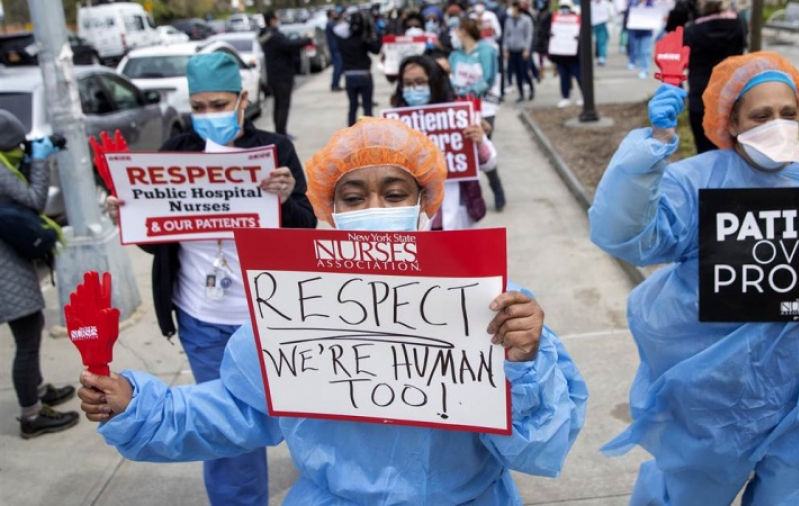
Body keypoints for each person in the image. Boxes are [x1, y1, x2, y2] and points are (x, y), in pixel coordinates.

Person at [78, 117, 589, 504]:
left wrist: (524, 363)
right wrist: (138, 406)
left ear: (424, 202)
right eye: (354, 195)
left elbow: (540, 448)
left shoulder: (492, 301)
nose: (375, 208)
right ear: (331, 209)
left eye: (393, 193)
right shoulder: (295, 305)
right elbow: (239, 411)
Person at [588, 52, 799, 505]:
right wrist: (653, 145)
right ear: (730, 122)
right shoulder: (695, 183)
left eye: (788, 113)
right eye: (762, 115)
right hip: (715, 400)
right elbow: (624, 234)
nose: (778, 123)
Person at [105, 52, 317, 506]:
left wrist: (282, 198)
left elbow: (306, 229)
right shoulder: (174, 154)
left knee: (295, 417)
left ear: (242, 100)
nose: (208, 115)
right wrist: (130, 214)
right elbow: (156, 242)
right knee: (223, 431)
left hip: (268, 319)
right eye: (198, 107)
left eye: (218, 104)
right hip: (202, 320)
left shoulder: (276, 150)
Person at [0, 111, 79, 440]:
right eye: (17, 144)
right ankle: (31, 416)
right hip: (5, 271)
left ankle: (39, 389)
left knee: (32, 331)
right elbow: (34, 200)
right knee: (28, 340)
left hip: (10, 263)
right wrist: (39, 160)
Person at [391, 54, 496, 230]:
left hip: (455, 213)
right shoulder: (394, 123)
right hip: (414, 220)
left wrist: (478, 143)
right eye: (407, 84)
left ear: (434, 82)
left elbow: (490, 163)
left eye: (420, 82)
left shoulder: (459, 116)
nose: (413, 88)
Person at [449, 17, 507, 212]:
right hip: (459, 108)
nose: (454, 34)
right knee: (465, 152)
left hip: (484, 108)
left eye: (457, 29)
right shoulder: (455, 55)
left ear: (464, 31)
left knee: (482, 149)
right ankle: (473, 196)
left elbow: (489, 78)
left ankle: (496, 187)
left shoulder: (487, 51)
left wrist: (467, 92)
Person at [684, 0, 746, 153]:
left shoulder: (691, 31)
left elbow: (686, 60)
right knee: (733, 150)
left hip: (701, 96)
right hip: (731, 95)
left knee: (704, 151)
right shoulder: (739, 25)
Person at [259, 10, 312, 138]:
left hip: (274, 76)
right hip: (282, 76)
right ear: (271, 20)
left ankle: (279, 131)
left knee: (278, 105)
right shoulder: (274, 36)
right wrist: (307, 39)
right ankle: (281, 133)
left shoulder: (265, 35)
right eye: (276, 18)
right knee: (283, 106)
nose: (278, 20)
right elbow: (290, 45)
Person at [336, 8, 382, 126]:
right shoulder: (363, 39)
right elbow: (376, 49)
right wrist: (375, 33)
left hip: (349, 76)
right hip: (364, 75)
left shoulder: (342, 40)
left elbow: (337, 31)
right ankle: (368, 131)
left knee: (353, 106)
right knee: (367, 106)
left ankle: (351, 131)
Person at [548, 0, 584, 108]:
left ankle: (584, 95)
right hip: (561, 55)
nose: (564, 10)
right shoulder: (556, 20)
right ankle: (565, 96)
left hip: (574, 55)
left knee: (579, 76)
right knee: (564, 77)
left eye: (566, 7)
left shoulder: (577, 20)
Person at [503, 1, 535, 102]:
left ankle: (531, 89)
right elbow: (506, 35)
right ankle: (521, 94)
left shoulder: (526, 20)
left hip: (522, 49)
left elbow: (529, 35)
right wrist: (505, 49)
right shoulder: (509, 20)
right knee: (517, 73)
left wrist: (527, 49)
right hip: (512, 49)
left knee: (524, 71)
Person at [625, 0, 655, 79]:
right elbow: (628, 15)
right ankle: (640, 66)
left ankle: (644, 69)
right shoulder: (633, 4)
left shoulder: (650, 4)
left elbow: (654, 16)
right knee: (638, 51)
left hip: (647, 32)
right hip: (636, 31)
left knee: (644, 51)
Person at [591, 0, 616, 65]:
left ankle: (602, 57)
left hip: (603, 24)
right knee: (595, 42)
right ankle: (598, 56)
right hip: (593, 25)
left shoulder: (606, 3)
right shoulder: (591, 4)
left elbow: (611, 14)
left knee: (602, 42)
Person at [326, 8, 344, 92]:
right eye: (334, 13)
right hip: (335, 49)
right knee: (338, 67)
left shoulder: (332, 23)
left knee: (339, 67)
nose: (336, 14)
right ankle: (334, 85)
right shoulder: (330, 24)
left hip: (337, 48)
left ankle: (336, 84)